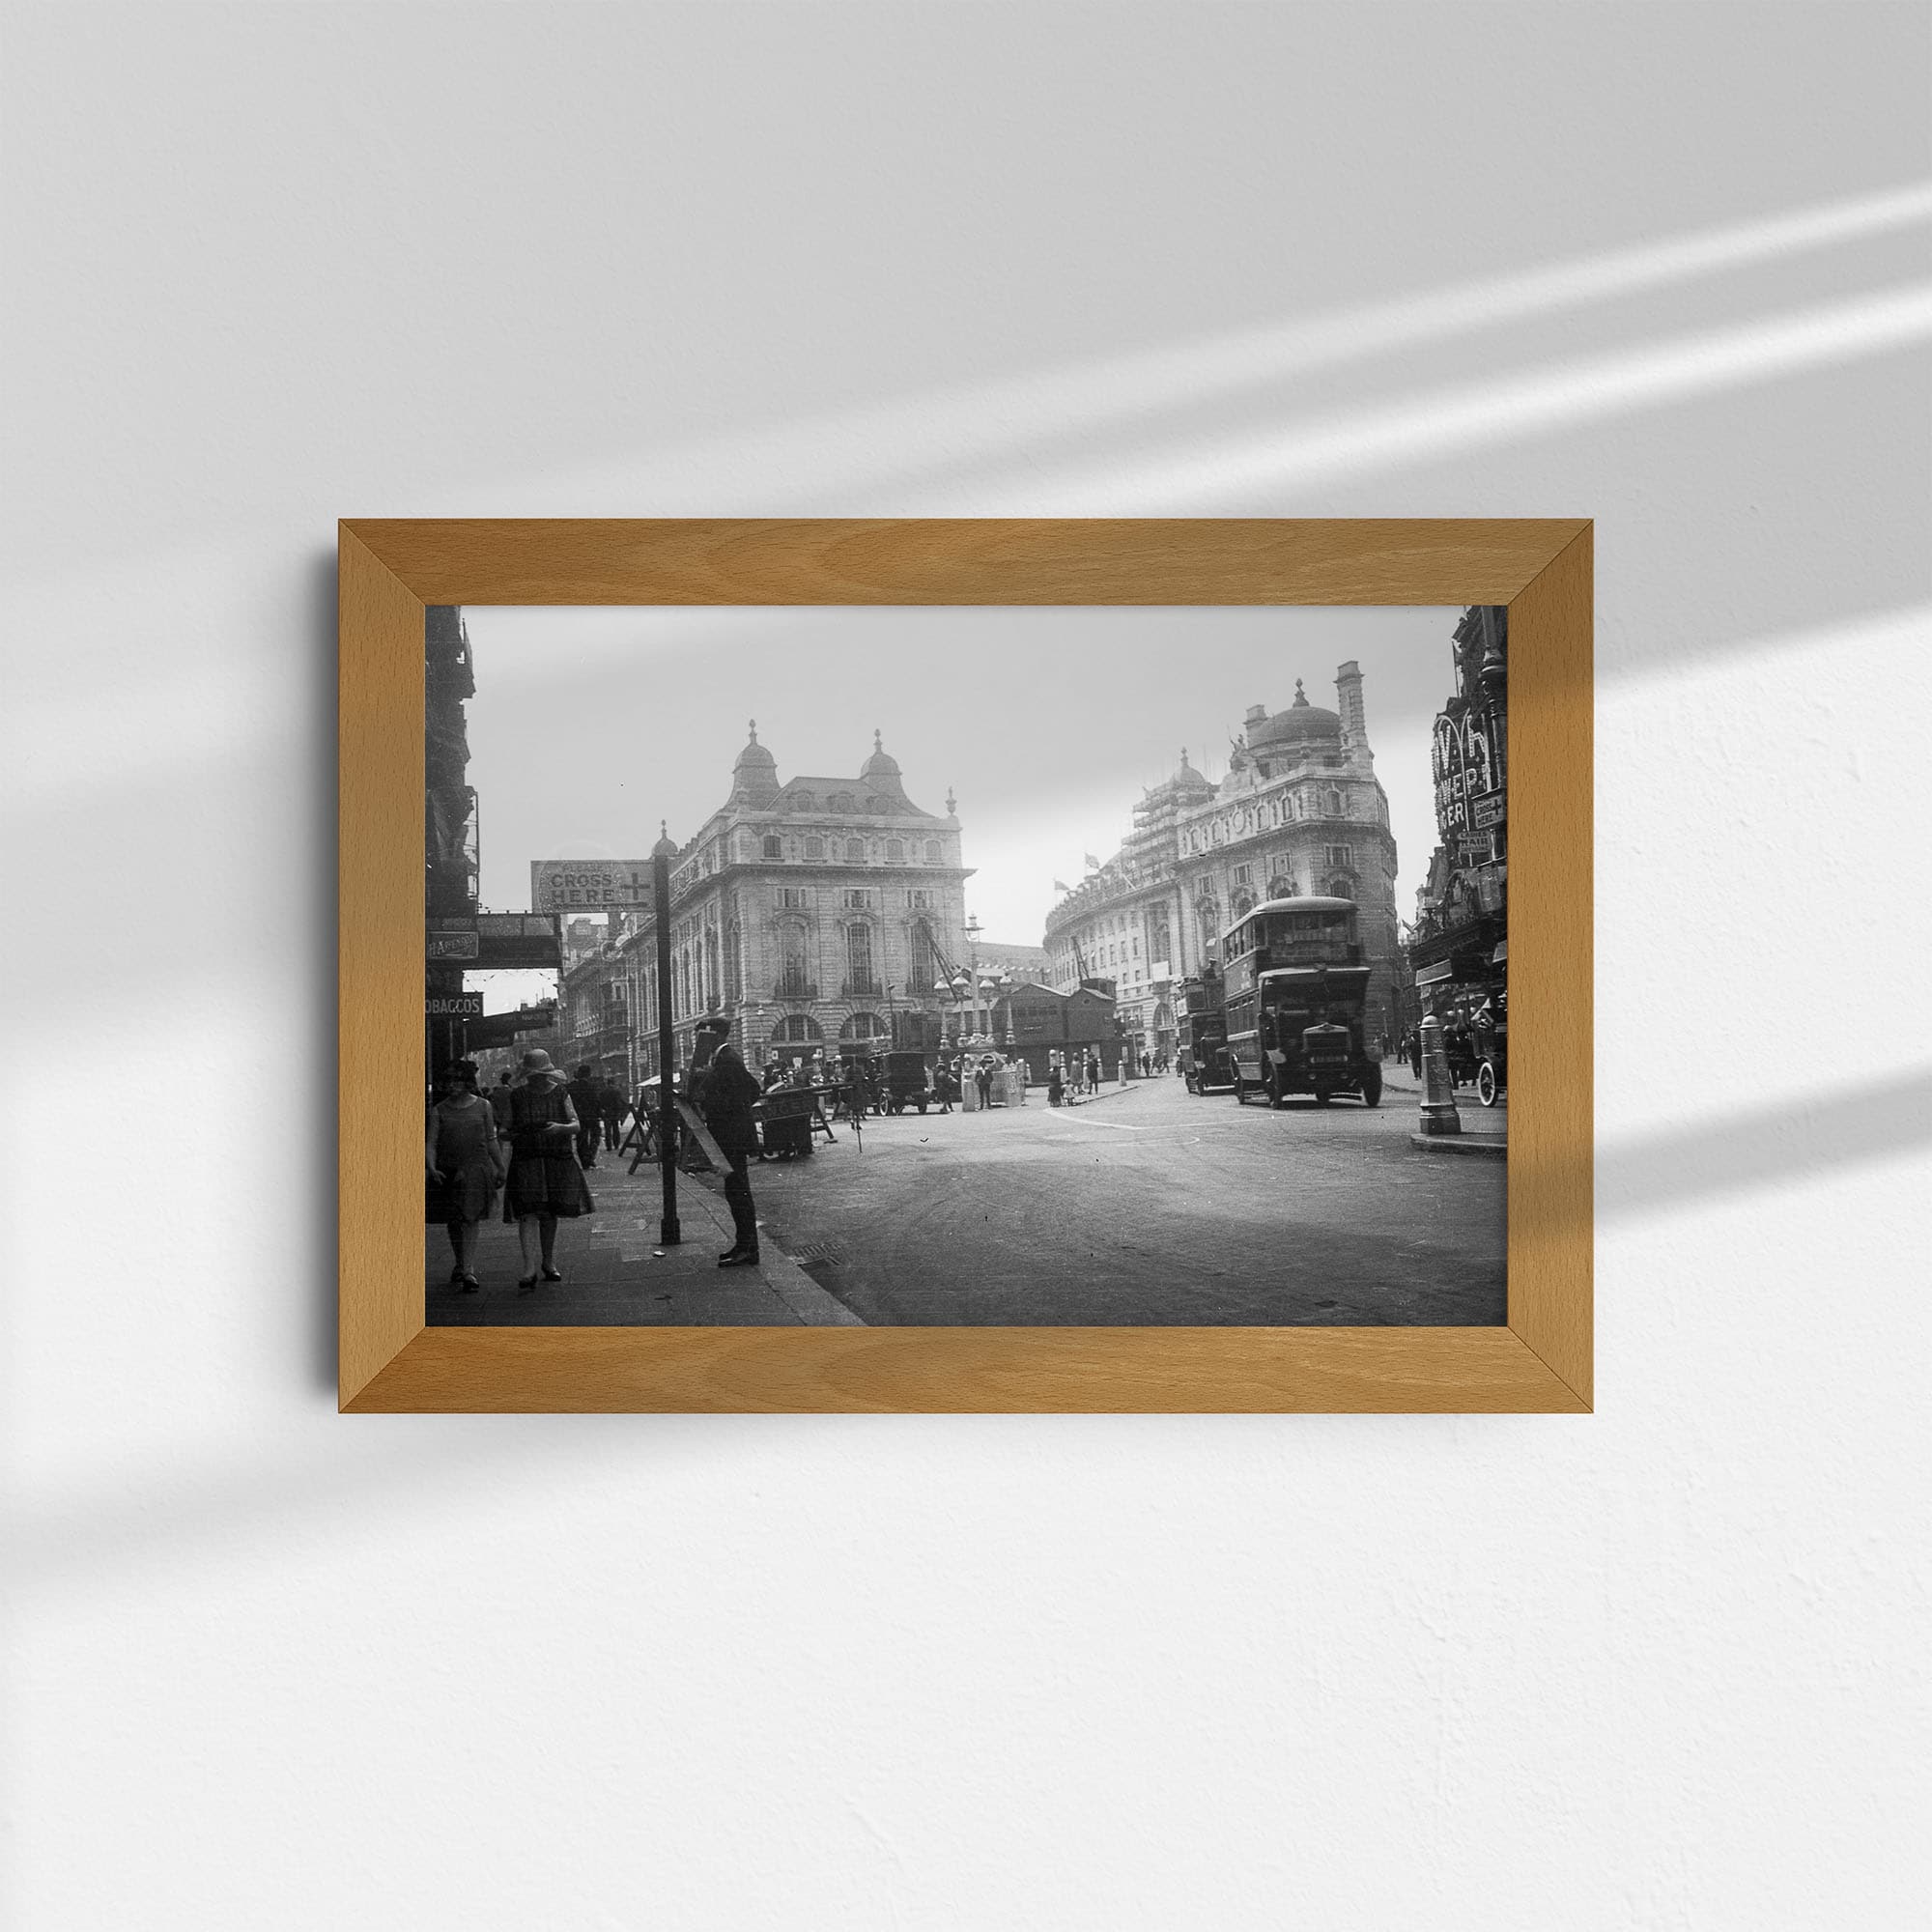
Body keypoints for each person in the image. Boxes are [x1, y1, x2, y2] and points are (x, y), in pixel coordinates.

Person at [501, 1048, 592, 1291]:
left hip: (555, 1159)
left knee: (550, 1211)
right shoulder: (517, 1096)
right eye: (534, 1075)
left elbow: (576, 1124)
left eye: (541, 1074)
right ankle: (529, 1268)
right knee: (527, 1212)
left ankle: (548, 1262)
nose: (537, 1079)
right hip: (527, 1160)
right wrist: (517, 1132)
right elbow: (504, 1129)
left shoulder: (561, 1092)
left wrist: (558, 1129)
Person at [689, 1013, 763, 1266]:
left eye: (700, 1037)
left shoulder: (728, 1061)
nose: (697, 1043)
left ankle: (748, 1249)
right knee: (735, 1192)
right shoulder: (722, 1060)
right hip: (732, 1135)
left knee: (738, 1193)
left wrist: (709, 1102)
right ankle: (743, 1245)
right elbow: (750, 1090)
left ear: (714, 1035)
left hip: (732, 1137)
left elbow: (750, 1091)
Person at [426, 1058, 506, 1291]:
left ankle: (468, 1269)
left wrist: (500, 1167)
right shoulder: (439, 1110)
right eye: (448, 1080)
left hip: (476, 1168)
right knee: (454, 1220)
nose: (451, 1085)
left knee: (470, 1218)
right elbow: (431, 1143)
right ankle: (460, 1263)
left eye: (457, 1080)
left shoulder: (483, 1106)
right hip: (448, 1169)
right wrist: (431, 1167)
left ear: (467, 1082)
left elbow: (491, 1140)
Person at [565, 1063, 603, 1168]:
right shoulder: (593, 1086)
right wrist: (599, 1113)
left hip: (579, 1116)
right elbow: (596, 1101)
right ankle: (591, 1155)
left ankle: (584, 1159)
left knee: (581, 1138)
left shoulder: (571, 1086)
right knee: (595, 1135)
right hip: (592, 1116)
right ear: (589, 1074)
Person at [599, 1078, 628, 1152]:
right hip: (615, 1113)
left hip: (606, 1113)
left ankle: (608, 1146)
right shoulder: (616, 1091)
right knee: (615, 1129)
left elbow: (600, 1103)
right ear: (613, 1083)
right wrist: (620, 1112)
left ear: (607, 1083)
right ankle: (616, 1144)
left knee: (607, 1130)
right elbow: (618, 1103)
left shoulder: (603, 1092)